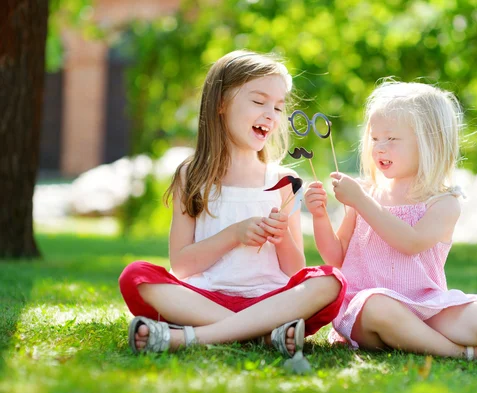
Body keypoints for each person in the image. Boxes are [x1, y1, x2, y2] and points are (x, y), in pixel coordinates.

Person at [119, 50, 346, 361]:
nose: (271, 114)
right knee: (136, 276)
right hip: (205, 299)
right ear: (221, 104)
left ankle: (192, 337)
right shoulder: (193, 176)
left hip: (270, 300)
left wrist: (282, 239)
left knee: (331, 281)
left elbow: (295, 270)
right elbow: (182, 265)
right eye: (258, 101)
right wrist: (233, 235)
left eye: (278, 107)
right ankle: (262, 334)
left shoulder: (284, 180)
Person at [304, 81, 477, 362]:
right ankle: (463, 353)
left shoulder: (443, 203)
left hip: (425, 305)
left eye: (392, 139)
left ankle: (433, 338)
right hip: (368, 309)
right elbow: (336, 256)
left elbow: (410, 242)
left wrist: (360, 200)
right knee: (379, 307)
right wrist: (320, 216)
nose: (380, 148)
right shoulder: (368, 193)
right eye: (374, 139)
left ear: (428, 143)